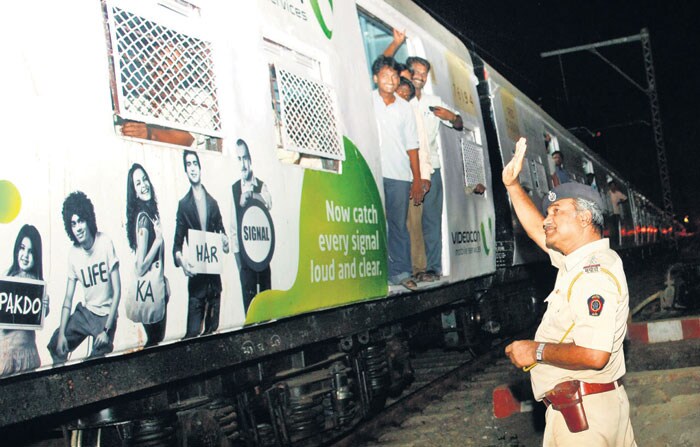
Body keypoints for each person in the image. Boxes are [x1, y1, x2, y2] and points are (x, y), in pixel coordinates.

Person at [503, 138, 636, 446]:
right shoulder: (584, 260)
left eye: (556, 211)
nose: (547, 219)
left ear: (585, 218)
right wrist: (512, 186)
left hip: (584, 421)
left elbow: (594, 354)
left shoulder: (593, 276)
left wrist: (534, 350)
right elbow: (538, 231)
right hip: (593, 408)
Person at [385, 29, 468, 282]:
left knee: (432, 220)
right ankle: (412, 268)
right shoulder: (402, 99)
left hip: (434, 168)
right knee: (410, 222)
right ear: (407, 74)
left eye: (424, 73)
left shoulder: (434, 101)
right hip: (409, 169)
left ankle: (432, 268)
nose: (420, 77)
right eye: (416, 72)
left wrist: (451, 117)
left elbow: (460, 123)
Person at [48, 192, 121, 362]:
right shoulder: (73, 254)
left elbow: (117, 292)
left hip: (105, 316)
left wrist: (106, 329)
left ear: (88, 220)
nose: (78, 228)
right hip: (87, 312)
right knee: (55, 345)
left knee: (93, 364)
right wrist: (61, 336)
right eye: (73, 224)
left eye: (81, 221)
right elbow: (68, 298)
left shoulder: (105, 242)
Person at [371, 55, 423, 291]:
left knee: (398, 226)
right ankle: (376, 272)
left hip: (399, 175)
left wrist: (416, 179)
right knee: (374, 224)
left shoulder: (405, 108)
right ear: (375, 79)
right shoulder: (367, 101)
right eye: (385, 76)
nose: (390, 80)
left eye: (394, 75)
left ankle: (401, 272)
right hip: (372, 172)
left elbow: (412, 145)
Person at [173, 150, 229, 338]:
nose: (192, 168)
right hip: (196, 282)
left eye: (195, 163)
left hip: (214, 283)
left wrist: (225, 241)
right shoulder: (184, 205)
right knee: (192, 334)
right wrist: (182, 262)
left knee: (213, 334)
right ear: (185, 171)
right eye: (188, 164)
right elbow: (176, 247)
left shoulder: (213, 203)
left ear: (200, 167)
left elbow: (224, 237)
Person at [126, 164, 168, 346]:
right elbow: (141, 267)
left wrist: (163, 280)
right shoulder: (143, 219)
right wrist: (158, 241)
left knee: (156, 340)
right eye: (138, 183)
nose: (144, 185)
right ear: (134, 192)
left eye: (144, 179)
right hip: (149, 294)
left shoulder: (149, 215)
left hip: (153, 292)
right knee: (154, 341)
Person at [230, 139, 273, 313]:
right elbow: (233, 231)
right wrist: (240, 265)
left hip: (262, 259)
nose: (243, 164)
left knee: (266, 306)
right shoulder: (233, 190)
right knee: (249, 310)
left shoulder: (261, 186)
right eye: (239, 159)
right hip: (246, 262)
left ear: (250, 159)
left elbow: (268, 202)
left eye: (245, 158)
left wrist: (251, 195)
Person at [0, 225, 49, 376]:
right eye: (22, 248)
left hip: (26, 352)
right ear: (16, 249)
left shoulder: (37, 284)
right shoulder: (7, 276)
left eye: (31, 252)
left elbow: (41, 313)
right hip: (5, 351)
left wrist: (44, 307)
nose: (25, 255)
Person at [396, 76, 432, 275]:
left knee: (414, 224)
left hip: (413, 178)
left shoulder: (413, 113)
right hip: (392, 178)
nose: (402, 96)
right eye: (399, 91)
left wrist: (424, 177)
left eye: (406, 94)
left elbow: (423, 146)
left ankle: (418, 268)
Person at [607, 180, 628, 245]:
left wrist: (620, 202)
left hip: (617, 213)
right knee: (611, 228)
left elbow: (626, 198)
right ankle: (612, 241)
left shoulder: (618, 193)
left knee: (616, 228)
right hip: (610, 213)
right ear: (610, 187)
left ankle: (617, 241)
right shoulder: (608, 193)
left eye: (614, 186)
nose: (613, 187)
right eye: (611, 186)